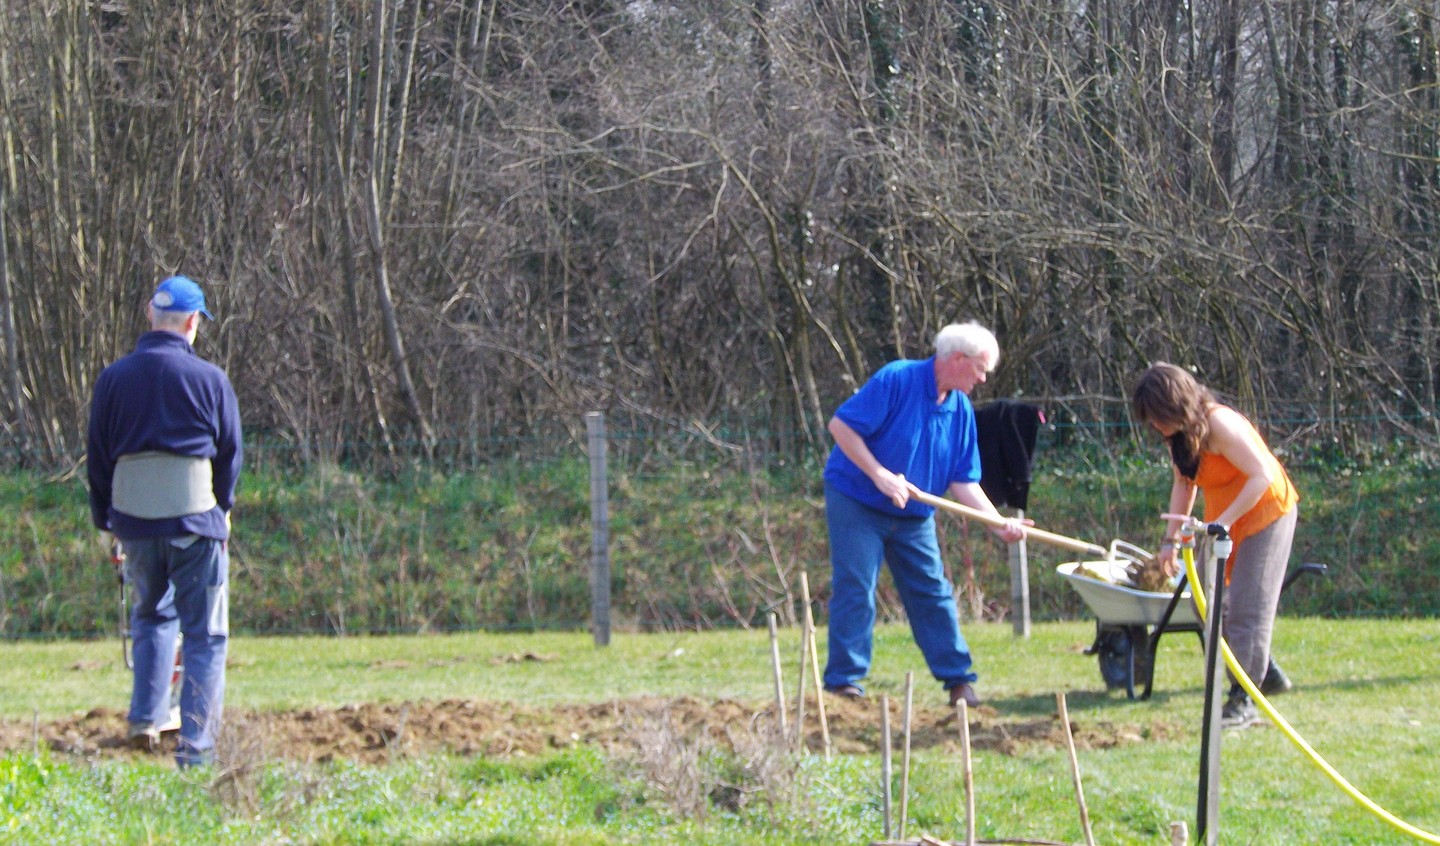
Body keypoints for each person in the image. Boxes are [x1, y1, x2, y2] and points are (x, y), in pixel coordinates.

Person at [821, 321, 1027, 709]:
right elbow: (841, 426)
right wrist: (879, 475)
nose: (982, 379)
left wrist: (997, 524)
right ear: (956, 359)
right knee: (856, 587)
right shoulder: (897, 379)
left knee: (932, 593)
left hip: (914, 515)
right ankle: (844, 684)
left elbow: (963, 481)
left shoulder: (960, 410)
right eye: (980, 369)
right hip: (857, 501)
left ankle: (958, 682)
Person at [87, 275, 242, 767]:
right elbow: (229, 454)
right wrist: (224, 508)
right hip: (194, 522)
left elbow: (99, 459)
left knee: (152, 614)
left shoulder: (112, 379)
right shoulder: (210, 381)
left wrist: (106, 520)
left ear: (150, 316)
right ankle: (196, 749)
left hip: (134, 522)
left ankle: (146, 718)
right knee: (204, 635)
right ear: (193, 323)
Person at [1131, 362, 1299, 729]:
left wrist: (1222, 522)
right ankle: (1262, 667)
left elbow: (1262, 475)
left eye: (1157, 416)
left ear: (1175, 404)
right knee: (1204, 604)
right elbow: (1184, 484)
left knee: (1247, 609)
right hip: (1221, 521)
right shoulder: (1179, 437)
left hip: (1265, 513)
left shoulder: (1220, 424)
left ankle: (1244, 699)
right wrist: (1169, 543)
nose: (1154, 426)